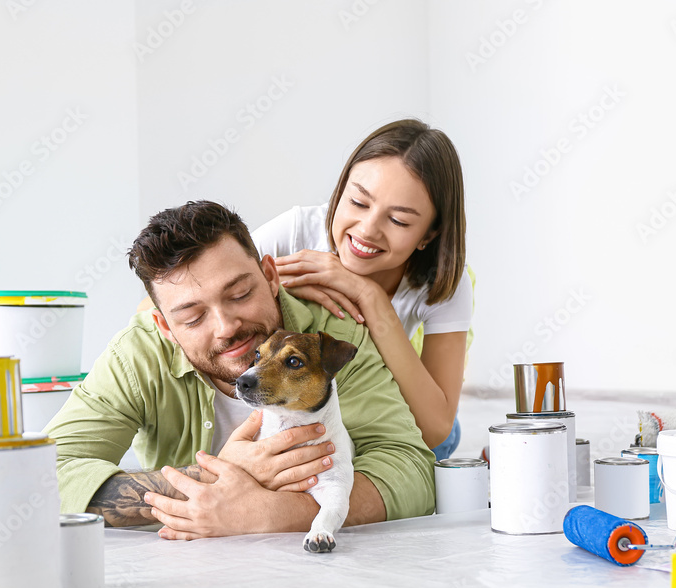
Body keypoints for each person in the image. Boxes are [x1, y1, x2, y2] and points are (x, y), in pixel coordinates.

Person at [46, 200, 434, 540]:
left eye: (240, 294)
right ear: (165, 326)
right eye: (193, 316)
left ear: (270, 276)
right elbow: (37, 479)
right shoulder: (138, 355)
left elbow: (412, 468)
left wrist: (272, 514)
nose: (226, 327)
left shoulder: (332, 335)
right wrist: (214, 478)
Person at [253, 119, 472, 461]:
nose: (367, 230)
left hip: (376, 407)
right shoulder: (296, 233)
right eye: (358, 202)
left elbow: (434, 428)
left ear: (428, 235)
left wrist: (371, 298)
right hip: (293, 404)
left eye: (399, 221)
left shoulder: (440, 281)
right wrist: (266, 282)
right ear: (340, 191)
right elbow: (159, 309)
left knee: (448, 438)